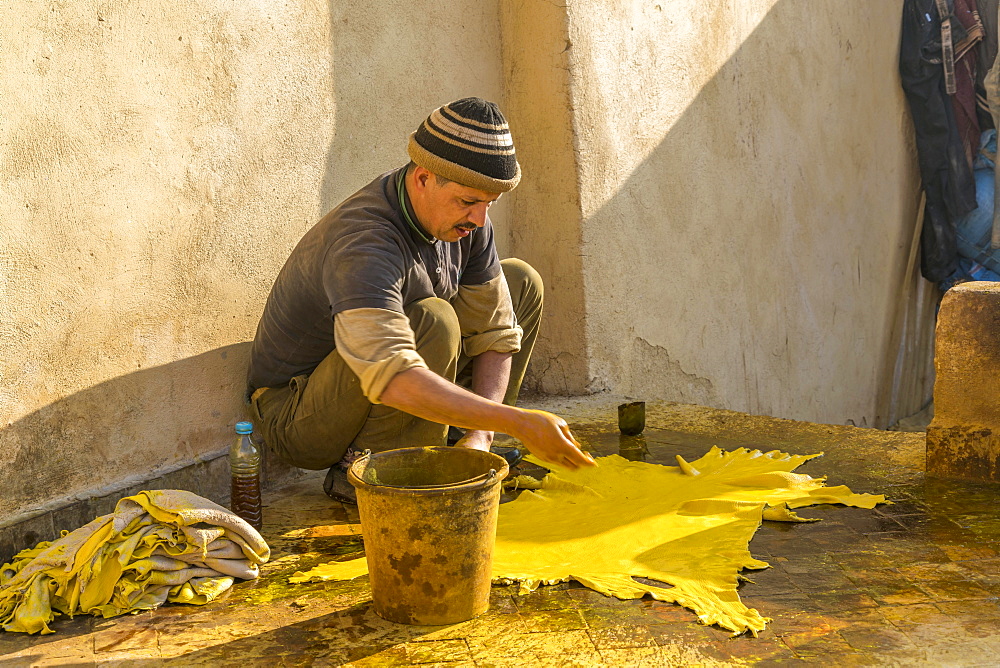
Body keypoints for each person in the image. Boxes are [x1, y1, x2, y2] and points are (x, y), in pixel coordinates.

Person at [246, 97, 595, 502]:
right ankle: (377, 472)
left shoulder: (470, 222)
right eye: (468, 202)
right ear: (423, 178)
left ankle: (459, 452)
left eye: (488, 204)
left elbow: (495, 332)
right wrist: (518, 422)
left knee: (521, 281)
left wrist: (482, 435)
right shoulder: (365, 241)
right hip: (297, 415)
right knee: (433, 320)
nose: (479, 220)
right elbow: (392, 377)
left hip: (374, 388)